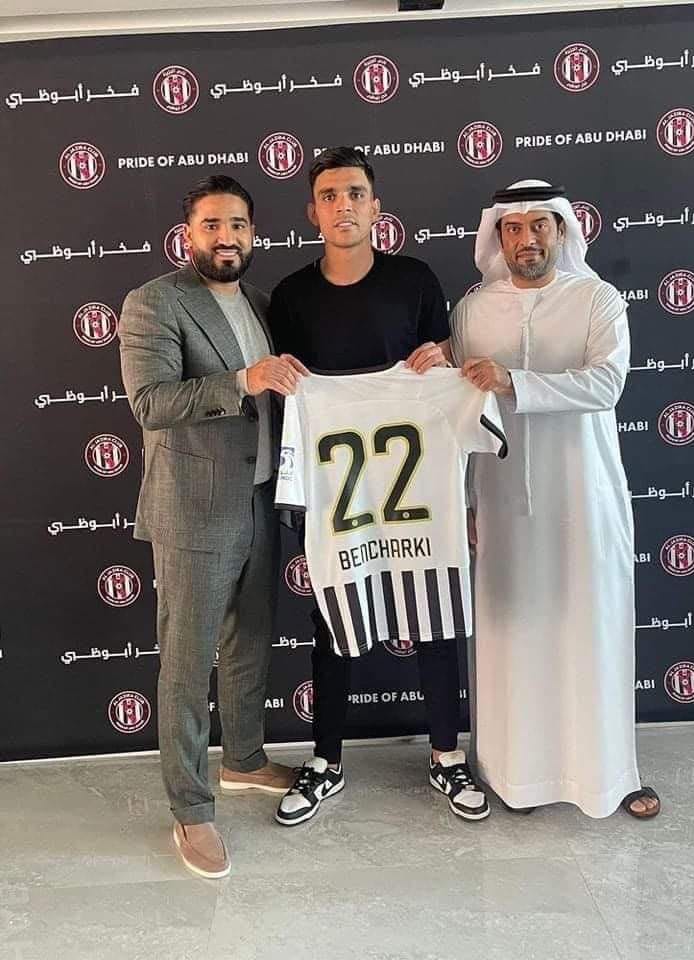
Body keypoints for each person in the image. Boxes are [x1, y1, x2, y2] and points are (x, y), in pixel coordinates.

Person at [268, 147, 489, 826]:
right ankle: (326, 760)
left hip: (415, 487)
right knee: (332, 617)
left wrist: (442, 358)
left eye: (355, 194)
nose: (344, 206)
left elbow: (448, 379)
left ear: (376, 207)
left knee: (433, 611)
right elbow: (291, 402)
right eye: (329, 196)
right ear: (313, 212)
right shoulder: (292, 296)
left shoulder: (415, 280)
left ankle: (447, 755)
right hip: (339, 489)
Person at [450, 179, 660, 819]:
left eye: (539, 225)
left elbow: (607, 384)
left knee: (588, 629)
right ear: (498, 237)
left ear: (562, 230)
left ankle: (608, 778)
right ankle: (518, 778)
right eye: (513, 228)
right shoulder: (472, 311)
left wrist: (514, 380)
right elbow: (459, 409)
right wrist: (464, 500)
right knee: (516, 633)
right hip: (501, 500)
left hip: (584, 495)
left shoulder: (597, 299)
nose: (527, 240)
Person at [119, 175, 307, 879]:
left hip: (261, 498)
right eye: (212, 225)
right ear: (188, 234)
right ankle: (191, 807)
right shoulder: (154, 302)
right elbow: (151, 402)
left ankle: (245, 760)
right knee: (188, 660)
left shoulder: (261, 302)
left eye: (238, 225)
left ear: (253, 233)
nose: (226, 238)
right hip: (194, 508)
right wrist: (242, 380)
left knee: (250, 640)